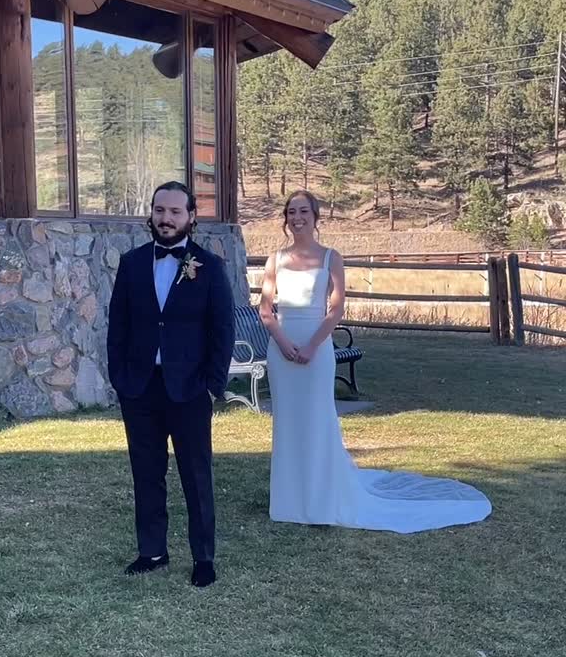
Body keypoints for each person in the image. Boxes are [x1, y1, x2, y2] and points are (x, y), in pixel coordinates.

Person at [259, 190, 492, 532]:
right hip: (282, 351)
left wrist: (312, 346)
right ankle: (290, 501)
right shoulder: (275, 260)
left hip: (316, 348)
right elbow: (266, 309)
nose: (297, 218)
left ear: (315, 216)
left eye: (303, 211)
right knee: (288, 423)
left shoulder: (330, 258)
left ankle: (322, 498)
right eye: (291, 212)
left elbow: (336, 308)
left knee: (318, 419)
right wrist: (282, 343)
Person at [107, 181, 235, 585]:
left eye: (175, 211)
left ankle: (203, 558)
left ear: (191, 217)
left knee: (196, 475)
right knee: (146, 473)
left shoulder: (209, 267)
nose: (166, 218)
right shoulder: (131, 264)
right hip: (140, 387)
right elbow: (118, 326)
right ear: (151, 214)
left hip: (190, 389)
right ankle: (152, 551)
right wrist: (120, 378)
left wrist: (212, 384)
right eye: (160, 210)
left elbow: (222, 329)